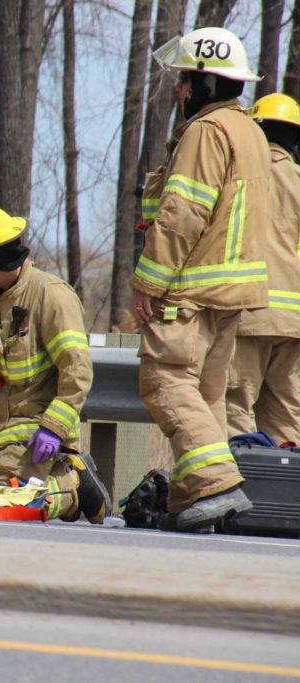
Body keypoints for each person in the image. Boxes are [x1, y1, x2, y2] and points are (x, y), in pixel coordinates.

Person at [132, 27, 271, 532]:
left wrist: (149, 282)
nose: (180, 90)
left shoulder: (206, 131)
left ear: (207, 83)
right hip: (231, 293)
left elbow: (182, 214)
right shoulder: (252, 132)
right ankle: (193, 502)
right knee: (208, 395)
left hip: (191, 288)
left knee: (165, 380)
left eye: (186, 80)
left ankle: (216, 482)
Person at [0, 204, 110, 524]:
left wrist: (53, 429)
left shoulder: (50, 296)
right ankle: (55, 477)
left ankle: (69, 485)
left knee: (5, 504)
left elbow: (77, 370)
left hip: (34, 432)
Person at [224, 94, 300, 445]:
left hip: (249, 313)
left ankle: (240, 491)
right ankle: (286, 496)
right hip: (294, 323)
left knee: (235, 407)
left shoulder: (240, 176)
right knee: (287, 415)